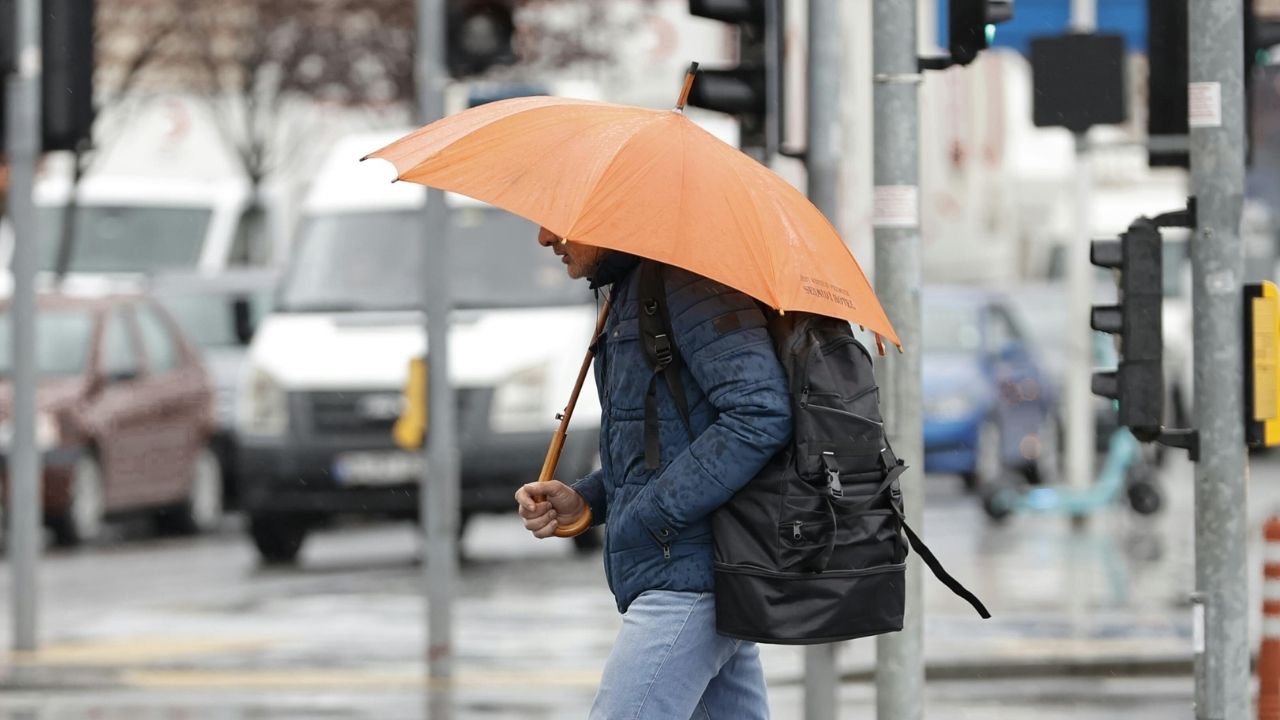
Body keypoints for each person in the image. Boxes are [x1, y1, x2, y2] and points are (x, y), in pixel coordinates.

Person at [515, 227, 792, 719]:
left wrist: (653, 515)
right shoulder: (633, 287)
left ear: (608, 214)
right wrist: (588, 501)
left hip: (688, 578)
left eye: (558, 217)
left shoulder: (686, 284)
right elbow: (666, 440)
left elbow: (760, 413)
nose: (543, 237)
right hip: (690, 571)